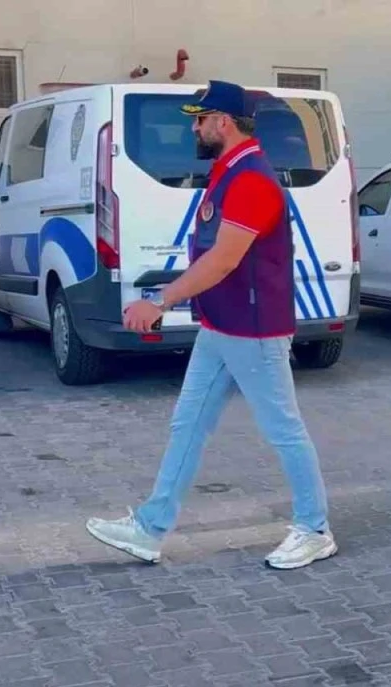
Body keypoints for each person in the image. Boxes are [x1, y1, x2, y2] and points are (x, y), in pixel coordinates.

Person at [85, 80, 336, 569]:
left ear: (222, 122)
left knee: (283, 429)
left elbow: (223, 260)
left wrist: (160, 300)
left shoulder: (251, 180)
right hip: (222, 326)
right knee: (189, 424)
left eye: (199, 120)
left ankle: (314, 529)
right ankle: (150, 528)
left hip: (254, 330)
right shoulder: (229, 174)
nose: (193, 129)